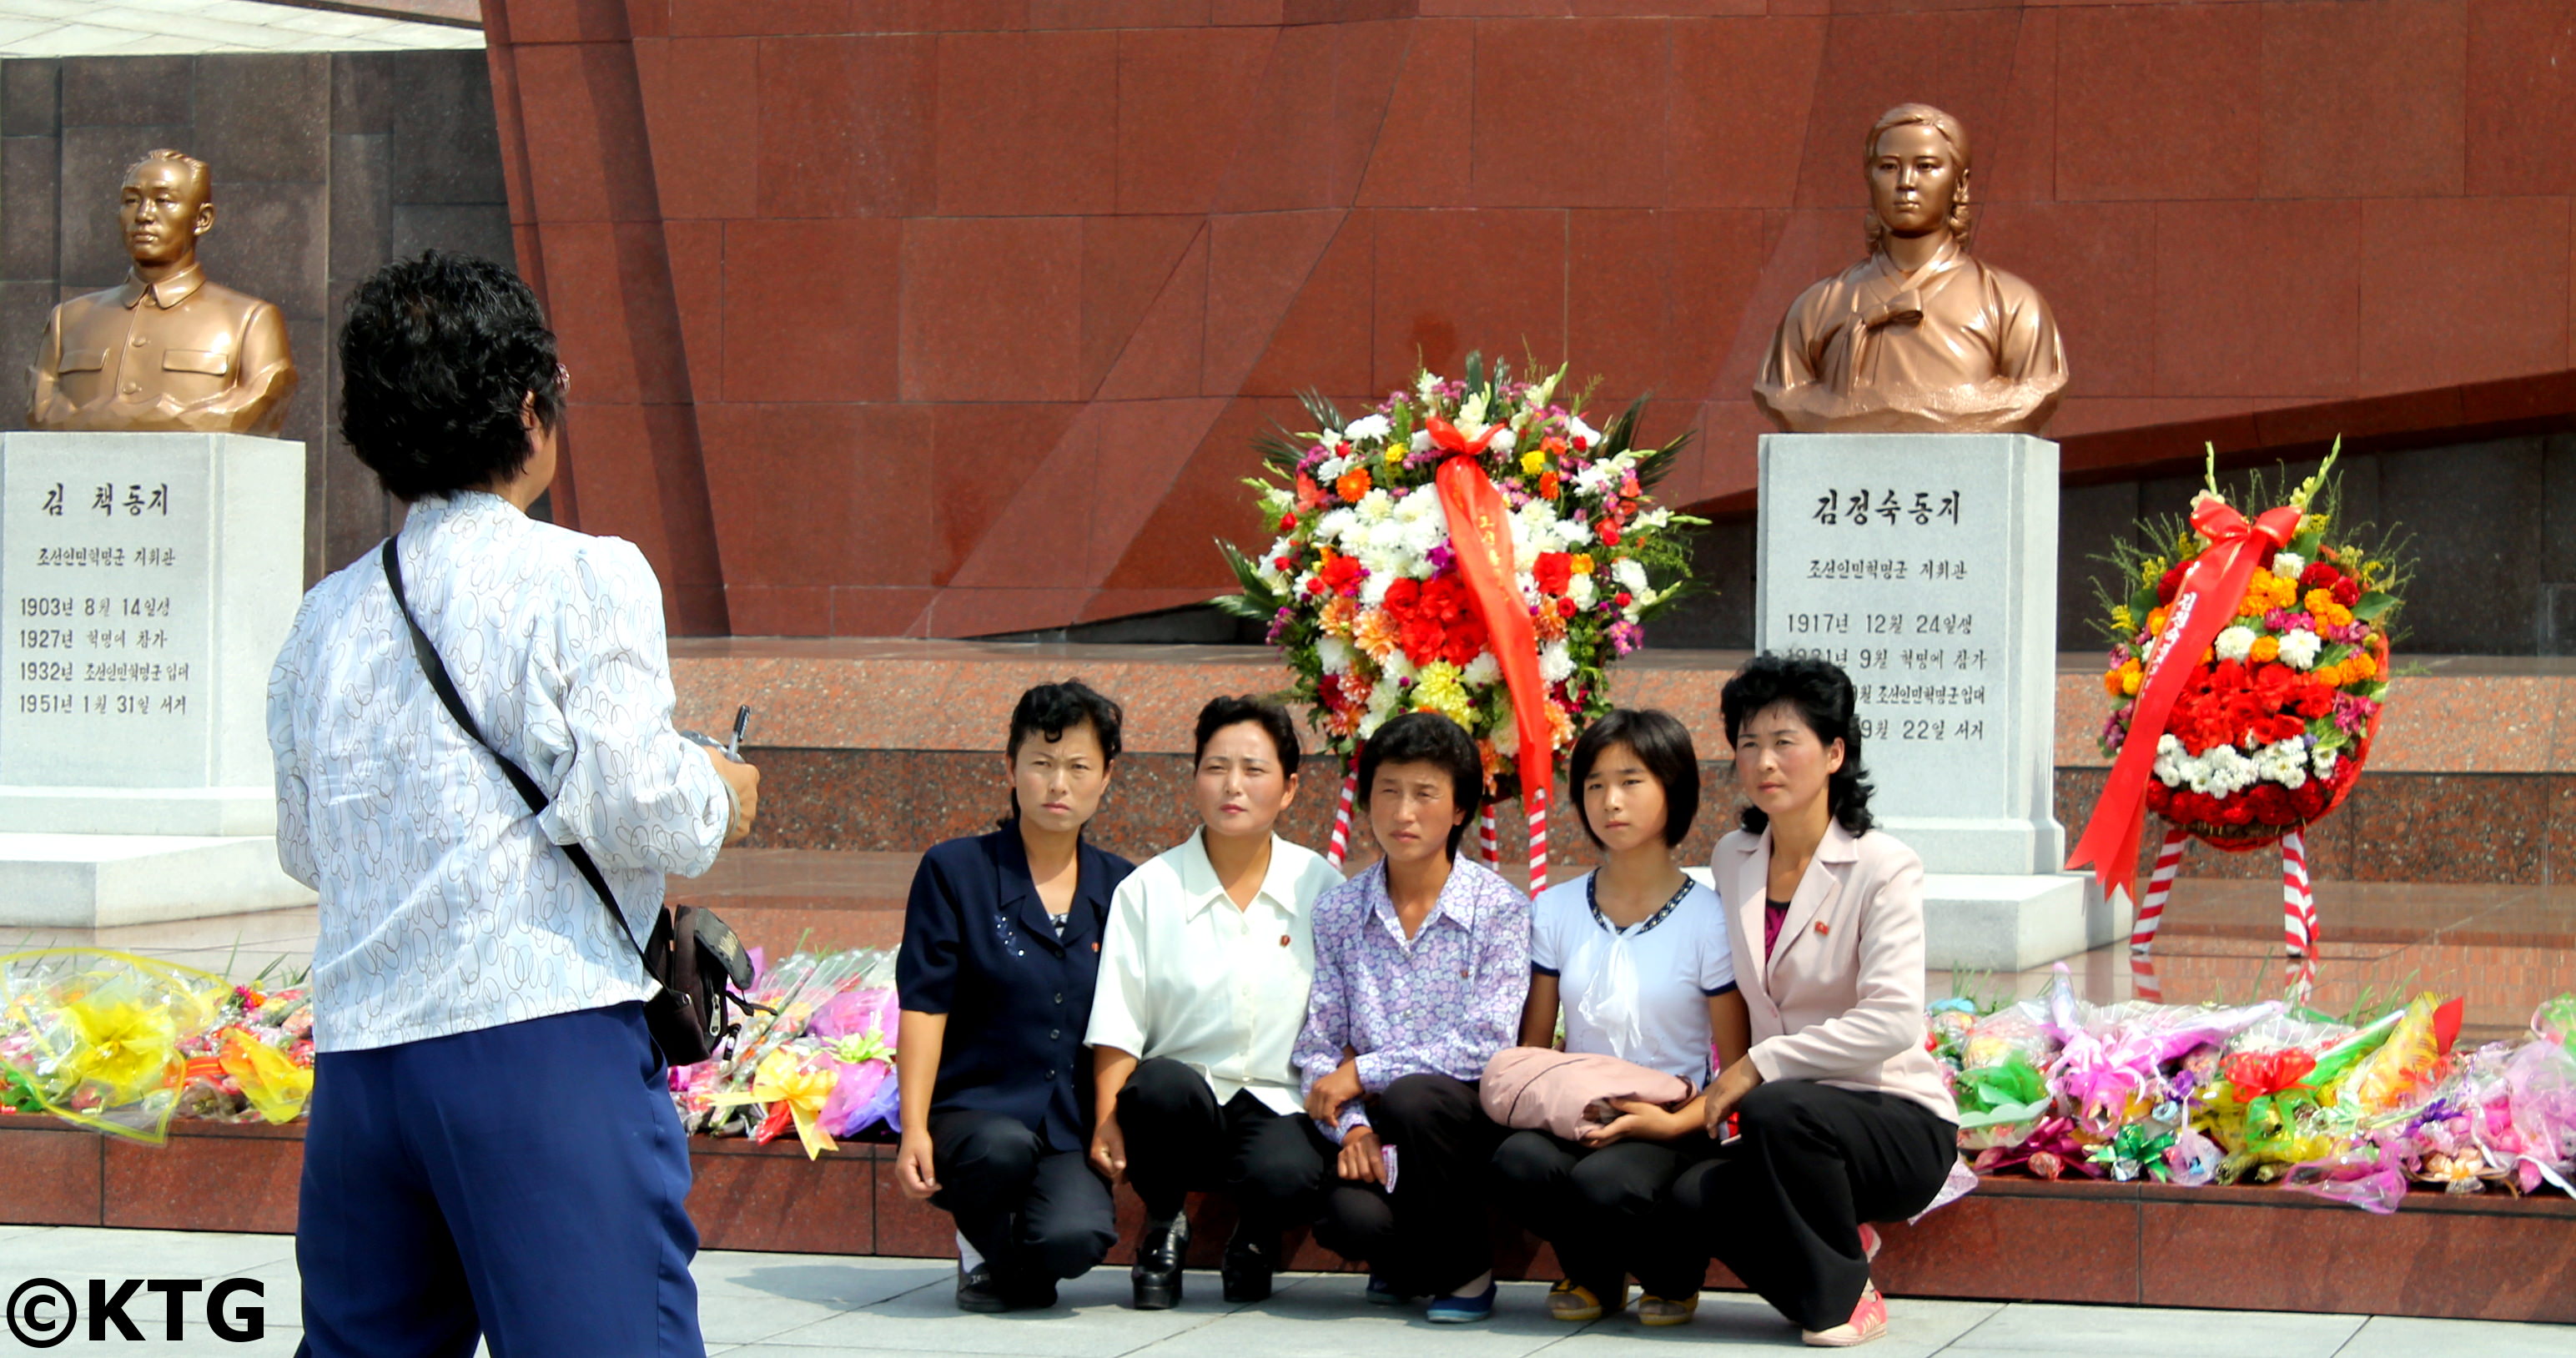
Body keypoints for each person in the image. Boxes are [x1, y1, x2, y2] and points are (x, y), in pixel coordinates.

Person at [269, 250, 759, 1357]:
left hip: (362, 1065)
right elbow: (641, 807)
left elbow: (307, 845)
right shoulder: (586, 575)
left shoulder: (324, 618)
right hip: (537, 1049)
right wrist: (719, 792)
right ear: (532, 409)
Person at [1669, 655, 1960, 1347]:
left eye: (1784, 742)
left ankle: (1840, 1301)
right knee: (1690, 1194)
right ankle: (1836, 1263)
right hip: (1785, 1127)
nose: (1763, 761)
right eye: (1747, 744)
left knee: (1776, 1102)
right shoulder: (1733, 858)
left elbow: (1893, 1020)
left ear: (1834, 753)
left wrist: (1757, 1067)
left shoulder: (1884, 866)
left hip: (1894, 1122)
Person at [1492, 709, 1750, 1327]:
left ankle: (1673, 1276)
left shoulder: (1711, 919)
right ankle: (1595, 1275)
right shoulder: (1554, 909)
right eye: (1595, 785)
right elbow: (1535, 1049)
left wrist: (1666, 1124)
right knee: (1517, 1162)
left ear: (1674, 788)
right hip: (1578, 1113)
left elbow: (1735, 1065)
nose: (1612, 801)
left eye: (1632, 781)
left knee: (1609, 1184)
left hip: (1671, 1120)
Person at [1087, 696, 1345, 1310]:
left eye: (1254, 770)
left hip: (1280, 1100)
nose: (1233, 786)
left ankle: (1254, 1236)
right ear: (1195, 777)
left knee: (1289, 1175)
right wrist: (1106, 1120)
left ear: (1288, 789)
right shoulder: (1147, 890)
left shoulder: (1323, 889)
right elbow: (1118, 1023)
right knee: (1156, 1090)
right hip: (1183, 1106)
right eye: (1216, 767)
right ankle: (1164, 1223)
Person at [893, 681, 1136, 1313]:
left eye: (1079, 767)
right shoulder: (956, 872)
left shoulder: (1126, 888)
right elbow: (924, 1004)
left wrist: (1108, 1116)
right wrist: (914, 1127)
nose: (1060, 784)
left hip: (1065, 1124)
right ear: (1011, 767)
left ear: (1106, 777)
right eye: (1042, 763)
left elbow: (1128, 1018)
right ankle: (979, 1249)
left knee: (1077, 1237)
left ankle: (1014, 1261)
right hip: (974, 1116)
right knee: (999, 1152)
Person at [1293, 710, 1531, 1324]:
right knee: (1350, 1221)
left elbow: (1487, 1043)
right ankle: (1402, 1260)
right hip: (1378, 1130)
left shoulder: (1499, 910)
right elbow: (1318, 1048)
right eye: (1389, 792)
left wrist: (1366, 1071)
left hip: (1460, 1126)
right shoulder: (1340, 912)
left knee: (1415, 1098)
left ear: (1458, 810)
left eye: (1425, 794)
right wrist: (1349, 1127)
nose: (1403, 813)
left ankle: (1466, 1273)